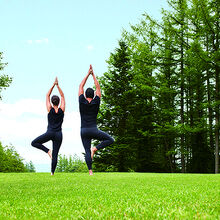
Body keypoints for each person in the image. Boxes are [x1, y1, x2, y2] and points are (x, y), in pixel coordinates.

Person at [79, 65, 114, 175]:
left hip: (84, 130)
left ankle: (90, 171)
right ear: (94, 95)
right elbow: (98, 88)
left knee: (87, 151)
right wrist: (93, 75)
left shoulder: (81, 101)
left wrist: (87, 74)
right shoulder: (96, 101)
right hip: (94, 130)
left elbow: (81, 86)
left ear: (85, 95)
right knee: (110, 140)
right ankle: (95, 149)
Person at [31, 77, 65, 175]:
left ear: (52, 102)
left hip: (50, 133)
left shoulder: (49, 109)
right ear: (58, 102)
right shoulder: (62, 109)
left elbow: (47, 95)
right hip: (58, 134)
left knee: (34, 143)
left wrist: (53, 85)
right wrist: (58, 86)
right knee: (55, 154)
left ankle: (48, 151)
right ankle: (52, 173)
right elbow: (62, 96)